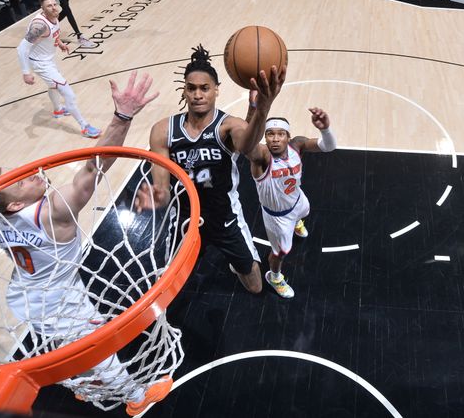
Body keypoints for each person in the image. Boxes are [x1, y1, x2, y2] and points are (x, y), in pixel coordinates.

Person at [0, 72, 171, 416]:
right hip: (61, 301)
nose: (28, 173)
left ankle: (85, 379)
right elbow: (95, 168)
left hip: (28, 296)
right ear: (15, 205)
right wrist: (123, 115)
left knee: (71, 346)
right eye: (18, 182)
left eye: (17, 171)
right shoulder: (53, 213)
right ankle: (134, 397)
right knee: (97, 347)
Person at [136, 46, 285, 294]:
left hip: (224, 216)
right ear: (183, 90)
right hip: (186, 218)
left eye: (204, 88)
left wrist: (263, 108)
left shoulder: (228, 126)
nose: (197, 94)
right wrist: (158, 196)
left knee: (256, 287)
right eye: (191, 88)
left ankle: (236, 264)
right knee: (172, 286)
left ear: (216, 90)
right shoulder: (163, 131)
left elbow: (249, 147)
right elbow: (161, 186)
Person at [245, 101, 336, 298]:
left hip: (296, 201)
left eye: (280, 134)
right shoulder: (261, 157)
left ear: (288, 136)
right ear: (264, 137)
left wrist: (326, 128)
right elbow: (246, 144)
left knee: (305, 210)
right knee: (281, 253)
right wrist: (254, 109)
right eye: (270, 134)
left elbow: (328, 147)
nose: (275, 139)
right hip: (277, 217)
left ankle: (297, 222)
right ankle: (274, 276)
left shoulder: (298, 145)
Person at [18, 0, 101, 138]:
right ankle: (84, 126)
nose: (53, 8)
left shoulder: (54, 16)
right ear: (42, 9)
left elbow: (53, 33)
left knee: (53, 86)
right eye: (49, 6)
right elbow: (21, 48)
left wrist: (60, 43)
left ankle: (57, 110)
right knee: (68, 93)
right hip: (40, 64)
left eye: (54, 4)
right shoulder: (39, 26)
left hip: (47, 59)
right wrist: (26, 72)